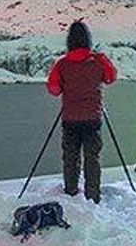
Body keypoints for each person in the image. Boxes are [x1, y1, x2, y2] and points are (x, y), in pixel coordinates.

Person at [46, 20, 117, 203]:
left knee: (70, 157)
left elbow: (53, 90)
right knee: (92, 157)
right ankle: (92, 196)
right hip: (92, 117)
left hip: (70, 118)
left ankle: (71, 191)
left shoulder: (61, 64)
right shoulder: (98, 61)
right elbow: (111, 77)